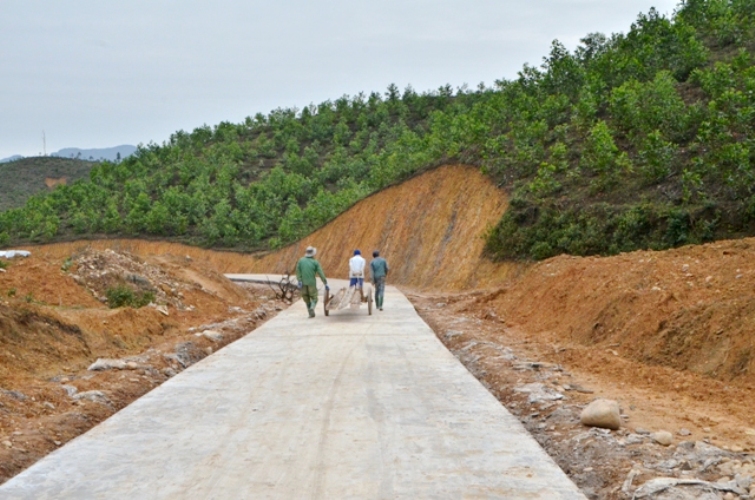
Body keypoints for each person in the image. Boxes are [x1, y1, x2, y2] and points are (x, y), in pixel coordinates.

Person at [295, 246, 329, 318]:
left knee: (305, 297)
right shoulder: (315, 262)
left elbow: (298, 271)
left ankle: (310, 313)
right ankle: (312, 308)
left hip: (303, 283)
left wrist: (299, 280)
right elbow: (320, 273)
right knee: (314, 298)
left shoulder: (301, 261)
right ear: (313, 253)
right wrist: (325, 282)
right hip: (311, 283)